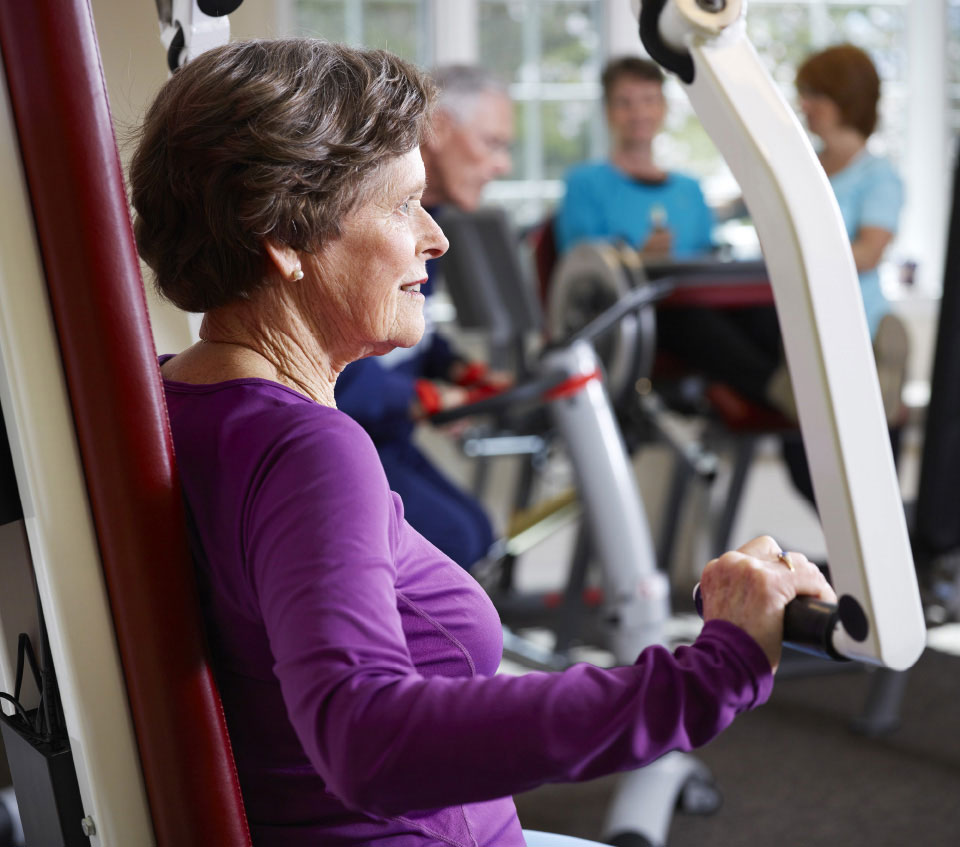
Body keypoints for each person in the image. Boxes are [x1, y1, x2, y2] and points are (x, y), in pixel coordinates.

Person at [131, 38, 835, 847]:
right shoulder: (308, 449)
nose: (437, 237)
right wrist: (715, 669)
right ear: (286, 239)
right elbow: (371, 739)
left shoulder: (163, 397)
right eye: (401, 206)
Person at [334, 64, 514, 570]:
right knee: (457, 539)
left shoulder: (427, 230)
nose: (501, 164)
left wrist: (458, 371)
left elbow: (407, 331)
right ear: (437, 128)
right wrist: (428, 397)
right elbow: (343, 367)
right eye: (491, 142)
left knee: (478, 531)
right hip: (351, 442)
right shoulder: (370, 229)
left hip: (390, 438)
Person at [554, 56, 788, 414]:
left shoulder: (690, 189)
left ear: (663, 108)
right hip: (636, 316)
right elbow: (581, 269)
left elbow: (708, 256)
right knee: (685, 317)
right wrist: (636, 260)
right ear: (608, 111)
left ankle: (794, 388)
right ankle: (780, 392)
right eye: (625, 102)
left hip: (702, 306)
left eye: (649, 101)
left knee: (765, 311)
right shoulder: (584, 184)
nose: (638, 113)